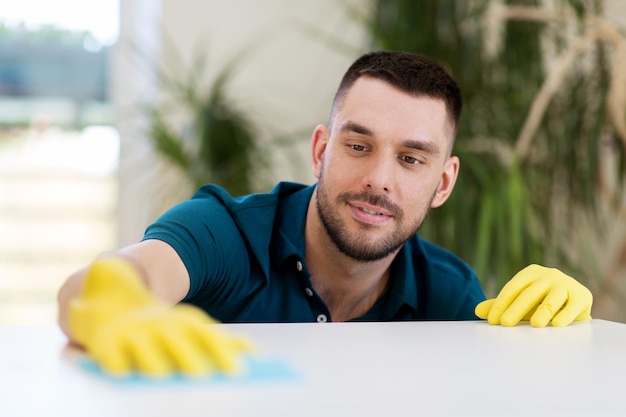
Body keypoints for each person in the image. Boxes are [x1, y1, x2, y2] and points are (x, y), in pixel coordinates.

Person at [57, 51, 593, 377]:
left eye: (410, 159)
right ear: (320, 151)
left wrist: (562, 344)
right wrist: (113, 300)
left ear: (443, 183)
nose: (379, 179)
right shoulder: (225, 230)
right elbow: (119, 278)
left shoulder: (449, 292)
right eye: (358, 146)